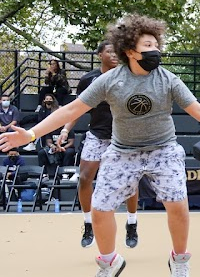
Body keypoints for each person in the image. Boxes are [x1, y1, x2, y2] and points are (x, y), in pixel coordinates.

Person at [0, 14, 200, 277]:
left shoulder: (168, 79)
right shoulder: (110, 81)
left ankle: (179, 260)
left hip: (163, 149)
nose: (155, 49)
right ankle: (109, 262)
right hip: (122, 151)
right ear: (130, 50)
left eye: (157, 44)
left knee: (178, 205)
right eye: (148, 44)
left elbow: (198, 110)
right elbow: (71, 111)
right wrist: (30, 135)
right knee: (100, 208)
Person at [59, 42, 141, 249]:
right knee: (85, 177)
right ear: (99, 55)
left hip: (123, 137)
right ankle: (88, 223)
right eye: (109, 51)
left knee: (130, 181)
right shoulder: (89, 80)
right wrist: (65, 130)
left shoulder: (129, 76)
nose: (114, 55)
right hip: (97, 135)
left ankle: (131, 223)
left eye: (116, 51)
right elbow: (76, 109)